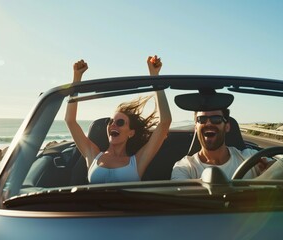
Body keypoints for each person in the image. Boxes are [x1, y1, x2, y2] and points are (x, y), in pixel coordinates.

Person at [65, 56, 172, 184]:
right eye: (110, 122)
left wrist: (154, 77)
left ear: (131, 132)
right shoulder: (93, 154)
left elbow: (165, 121)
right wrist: (77, 78)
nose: (113, 125)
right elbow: (70, 121)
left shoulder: (137, 161)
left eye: (120, 122)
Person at [171, 109, 272, 179]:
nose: (209, 123)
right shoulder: (184, 168)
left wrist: (268, 175)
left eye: (216, 119)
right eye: (202, 119)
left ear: (227, 127)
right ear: (196, 128)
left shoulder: (251, 158)